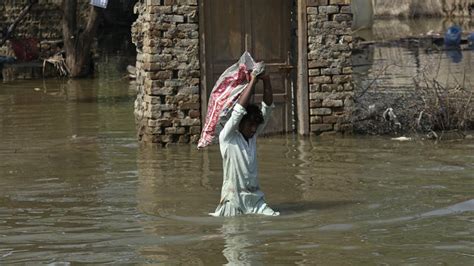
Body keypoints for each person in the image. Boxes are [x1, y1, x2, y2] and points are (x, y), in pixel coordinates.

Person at [210, 70, 280, 217]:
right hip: (233, 199)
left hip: (255, 199)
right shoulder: (227, 137)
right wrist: (253, 82)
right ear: (240, 124)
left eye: (256, 125)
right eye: (250, 125)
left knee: (274, 218)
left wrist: (266, 80)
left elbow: (267, 107)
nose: (254, 129)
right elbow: (238, 112)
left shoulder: (252, 137)